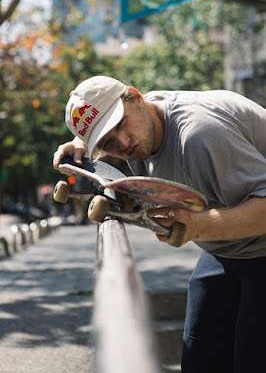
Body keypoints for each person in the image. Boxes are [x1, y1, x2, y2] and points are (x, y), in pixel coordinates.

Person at [53, 75, 266, 373]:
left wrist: (197, 227)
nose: (123, 143)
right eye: (107, 140)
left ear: (137, 98)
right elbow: (106, 122)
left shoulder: (202, 135)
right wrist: (81, 142)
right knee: (199, 359)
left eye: (120, 125)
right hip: (226, 250)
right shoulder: (141, 114)